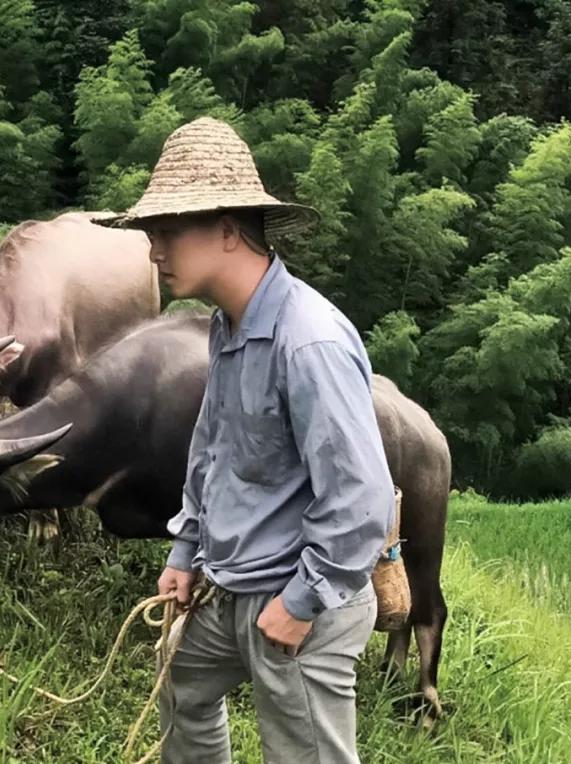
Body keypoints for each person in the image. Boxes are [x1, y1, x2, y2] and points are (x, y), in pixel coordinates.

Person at [95, 117, 395, 764]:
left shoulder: (308, 341)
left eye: (167, 233)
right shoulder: (226, 330)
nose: (153, 252)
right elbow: (215, 451)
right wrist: (185, 551)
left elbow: (362, 497)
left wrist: (301, 602)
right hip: (229, 586)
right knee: (183, 687)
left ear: (228, 230)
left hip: (298, 598)